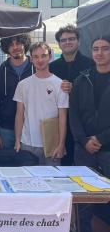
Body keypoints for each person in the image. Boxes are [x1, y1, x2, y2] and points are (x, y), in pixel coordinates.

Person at [69, 36, 110, 232]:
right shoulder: (82, 79)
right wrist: (84, 140)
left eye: (105, 49)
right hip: (84, 147)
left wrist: (101, 138)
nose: (99, 53)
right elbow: (73, 114)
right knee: (84, 192)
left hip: (108, 146)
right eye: (95, 49)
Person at [14, 42, 68, 165]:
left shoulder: (60, 84)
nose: (40, 60)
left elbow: (62, 118)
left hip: (52, 144)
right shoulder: (23, 85)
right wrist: (17, 140)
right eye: (36, 56)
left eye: (43, 55)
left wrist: (61, 145)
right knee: (28, 182)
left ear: (49, 56)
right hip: (27, 143)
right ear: (31, 59)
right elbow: (19, 114)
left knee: (53, 181)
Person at [49, 24, 94, 165]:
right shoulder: (52, 67)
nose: (67, 42)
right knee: (62, 164)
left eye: (71, 39)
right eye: (64, 40)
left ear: (78, 41)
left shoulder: (90, 64)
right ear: (59, 44)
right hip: (59, 123)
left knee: (85, 166)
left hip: (84, 123)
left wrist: (75, 88)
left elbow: (97, 91)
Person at [0, 34, 33, 149]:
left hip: (32, 128)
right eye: (11, 45)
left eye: (18, 43)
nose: (15, 47)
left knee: (29, 164)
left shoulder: (36, 68)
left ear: (25, 44)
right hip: (6, 129)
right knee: (6, 165)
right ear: (6, 48)